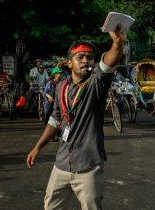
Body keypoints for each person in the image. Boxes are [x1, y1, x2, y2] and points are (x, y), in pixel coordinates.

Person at [26, 28, 126, 210]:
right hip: (62, 163)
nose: (85, 61)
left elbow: (109, 61)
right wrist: (37, 147)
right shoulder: (60, 87)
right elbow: (55, 120)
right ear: (69, 63)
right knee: (50, 207)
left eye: (89, 57)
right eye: (80, 57)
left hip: (88, 165)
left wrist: (117, 44)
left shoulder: (96, 83)